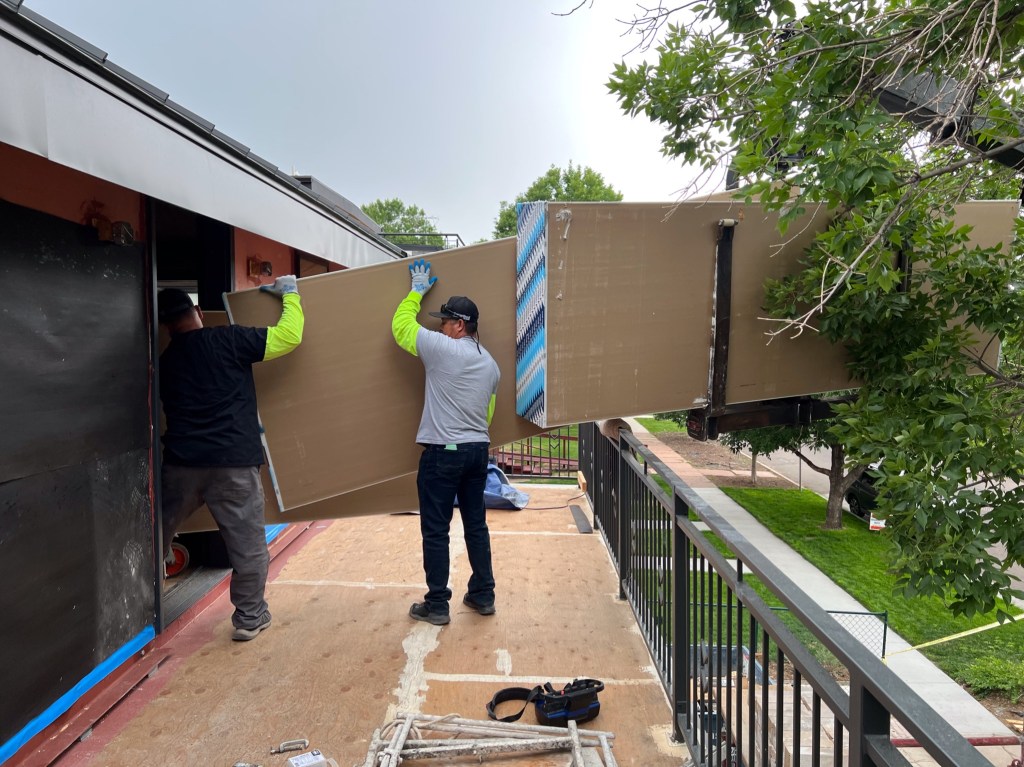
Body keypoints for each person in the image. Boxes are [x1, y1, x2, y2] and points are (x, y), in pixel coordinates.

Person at [157, 276, 303, 641]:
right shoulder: (229, 339)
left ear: (166, 326)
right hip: (232, 465)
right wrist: (290, 294)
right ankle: (250, 618)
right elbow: (289, 336)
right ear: (196, 311)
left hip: (181, 466)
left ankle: (141, 612)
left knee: (152, 536)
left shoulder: (165, 361)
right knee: (247, 546)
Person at [392, 259, 501, 626]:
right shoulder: (491, 365)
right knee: (476, 526)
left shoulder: (440, 347)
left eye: (444, 321)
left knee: (436, 529)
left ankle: (437, 605)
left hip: (443, 453)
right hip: (477, 451)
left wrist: (415, 292)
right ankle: (483, 595)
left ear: (459, 325)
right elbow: (487, 414)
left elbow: (401, 327)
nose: (439, 326)